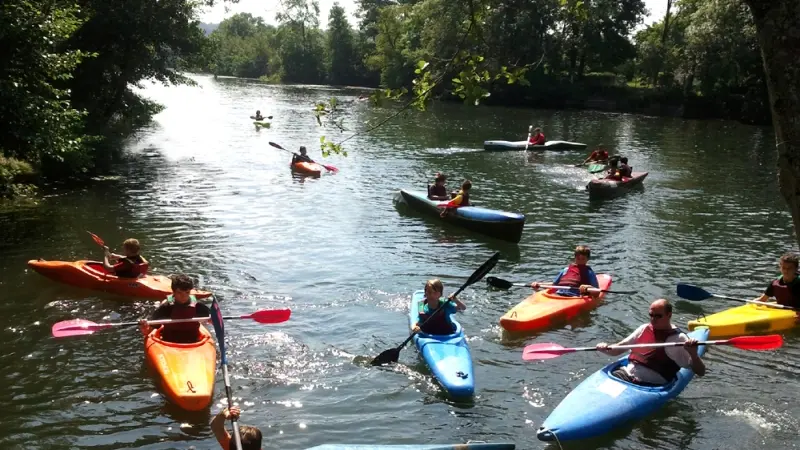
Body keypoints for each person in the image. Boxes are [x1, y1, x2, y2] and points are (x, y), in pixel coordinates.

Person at [596, 299, 706, 386]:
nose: (653, 319)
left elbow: (700, 372)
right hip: (625, 375)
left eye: (658, 316)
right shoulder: (644, 328)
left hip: (650, 385)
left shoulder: (679, 339)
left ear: (669, 315)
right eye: (651, 315)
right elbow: (618, 349)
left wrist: (693, 354)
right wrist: (606, 348)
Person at [138, 274, 211, 344]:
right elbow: (148, 332)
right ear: (173, 292)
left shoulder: (198, 307)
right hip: (168, 342)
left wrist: (214, 319)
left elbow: (212, 320)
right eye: (180, 293)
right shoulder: (165, 308)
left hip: (193, 342)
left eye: (187, 292)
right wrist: (144, 327)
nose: (184, 296)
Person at [531, 245, 600, 297]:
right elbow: (554, 285)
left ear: (587, 259)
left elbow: (597, 292)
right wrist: (539, 284)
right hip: (558, 295)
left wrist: (588, 287)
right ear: (575, 257)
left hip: (574, 297)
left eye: (583, 259)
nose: (580, 261)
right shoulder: (566, 270)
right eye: (578, 258)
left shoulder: (589, 273)